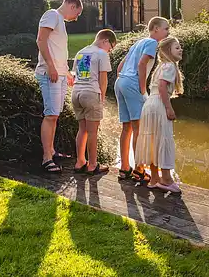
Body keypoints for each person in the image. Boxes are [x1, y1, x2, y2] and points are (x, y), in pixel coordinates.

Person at [114, 16, 170, 182]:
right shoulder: (152, 43)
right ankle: (139, 169)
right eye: (166, 28)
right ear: (155, 29)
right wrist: (142, 88)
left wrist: (123, 81)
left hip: (121, 81)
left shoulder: (138, 42)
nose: (168, 32)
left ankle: (124, 168)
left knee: (126, 128)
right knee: (139, 127)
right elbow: (141, 65)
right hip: (132, 83)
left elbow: (120, 66)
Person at [35, 0, 83, 173]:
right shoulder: (52, 15)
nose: (76, 18)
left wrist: (66, 72)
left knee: (55, 115)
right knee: (51, 115)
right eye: (76, 13)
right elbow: (41, 40)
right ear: (71, 5)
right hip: (49, 74)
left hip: (60, 74)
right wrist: (50, 66)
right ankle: (46, 158)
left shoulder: (59, 22)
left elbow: (58, 49)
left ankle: (52, 151)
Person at [136, 37, 184, 193]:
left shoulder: (161, 67)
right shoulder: (170, 66)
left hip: (149, 104)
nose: (181, 49)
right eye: (177, 48)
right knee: (164, 139)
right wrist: (169, 108)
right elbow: (163, 87)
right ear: (167, 51)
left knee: (152, 140)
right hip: (158, 105)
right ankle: (166, 180)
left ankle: (155, 178)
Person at [71, 29, 117, 174]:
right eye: (111, 47)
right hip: (91, 93)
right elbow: (103, 79)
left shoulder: (81, 52)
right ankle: (92, 165)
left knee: (82, 129)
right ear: (105, 40)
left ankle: (79, 162)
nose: (109, 51)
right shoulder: (101, 54)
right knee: (92, 131)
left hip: (76, 93)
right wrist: (102, 98)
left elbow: (75, 75)